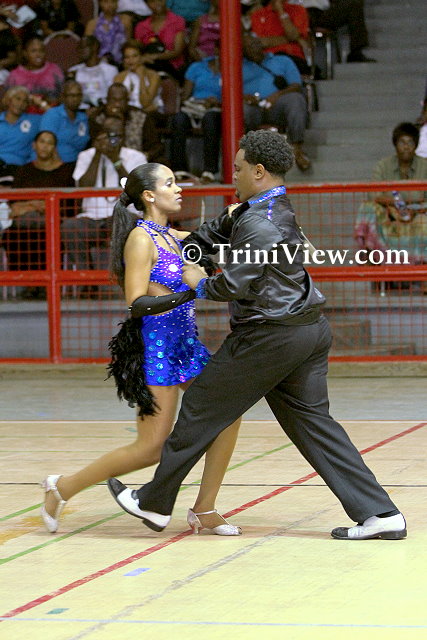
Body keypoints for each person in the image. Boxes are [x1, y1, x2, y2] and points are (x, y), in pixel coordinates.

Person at [108, 129, 407, 541]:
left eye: (238, 169)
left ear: (259, 171)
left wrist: (197, 282)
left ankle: (154, 501)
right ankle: (381, 514)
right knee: (314, 425)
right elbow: (213, 234)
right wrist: (197, 241)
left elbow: (231, 285)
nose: (233, 176)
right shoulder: (266, 209)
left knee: (200, 405)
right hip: (307, 331)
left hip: (270, 335)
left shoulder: (259, 223)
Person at [41, 161, 242, 536]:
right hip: (157, 351)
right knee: (150, 448)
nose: (179, 189)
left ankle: (205, 507)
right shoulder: (140, 239)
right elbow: (135, 302)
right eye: (170, 183)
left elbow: (211, 238)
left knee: (228, 414)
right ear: (149, 195)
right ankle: (61, 487)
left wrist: (240, 213)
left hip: (188, 345)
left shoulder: (175, 237)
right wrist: (189, 292)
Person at [61, 115, 147, 277]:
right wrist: (97, 155)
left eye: (116, 136)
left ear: (123, 136)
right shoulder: (86, 156)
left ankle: (127, 279)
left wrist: (116, 161)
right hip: (92, 218)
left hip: (124, 217)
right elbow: (82, 186)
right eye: (108, 135)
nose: (111, 140)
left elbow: (135, 189)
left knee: (126, 222)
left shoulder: (137, 157)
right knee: (70, 227)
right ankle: (86, 280)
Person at [1, 129, 74, 298]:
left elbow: (69, 205)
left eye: (50, 143)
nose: (45, 146)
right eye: (42, 142)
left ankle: (45, 284)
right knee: (14, 233)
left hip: (53, 221)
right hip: (25, 222)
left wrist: (34, 205)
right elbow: (15, 204)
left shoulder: (65, 172)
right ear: (34, 145)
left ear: (55, 148)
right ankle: (28, 283)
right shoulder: (23, 171)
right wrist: (38, 204)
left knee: (46, 231)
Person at [355, 122, 427, 271]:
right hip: (389, 212)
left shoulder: (425, 165)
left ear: (416, 145)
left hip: (418, 213)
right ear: (395, 144)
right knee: (367, 207)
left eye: (410, 143)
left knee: (423, 223)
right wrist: (393, 205)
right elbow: (373, 194)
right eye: (402, 142)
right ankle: (370, 258)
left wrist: (415, 209)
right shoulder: (383, 165)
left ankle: (421, 269)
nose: (406, 147)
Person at [242, 33, 311, 171]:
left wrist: (277, 95)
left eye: (255, 44)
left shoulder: (282, 60)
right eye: (248, 47)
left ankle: (297, 149)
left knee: (295, 99)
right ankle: (246, 155)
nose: (253, 49)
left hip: (277, 105)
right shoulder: (238, 67)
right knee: (241, 109)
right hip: (252, 108)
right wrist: (243, 97)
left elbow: (296, 85)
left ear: (261, 45)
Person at [168, 41, 222, 183]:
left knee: (210, 119)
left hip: (217, 109)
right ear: (216, 50)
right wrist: (195, 102)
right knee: (179, 119)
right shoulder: (197, 67)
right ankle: (179, 169)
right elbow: (185, 95)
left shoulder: (234, 69)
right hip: (195, 106)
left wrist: (216, 102)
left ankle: (210, 170)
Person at [114, 39, 164, 153]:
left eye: (134, 56)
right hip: (126, 114)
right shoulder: (119, 78)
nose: (130, 61)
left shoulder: (153, 76)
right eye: (127, 57)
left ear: (142, 57)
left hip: (150, 115)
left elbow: (145, 102)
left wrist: (141, 77)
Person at [4, 35, 64, 114]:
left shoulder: (55, 70)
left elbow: (63, 96)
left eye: (41, 51)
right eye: (33, 51)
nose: (38, 55)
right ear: (25, 53)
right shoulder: (15, 75)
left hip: (52, 115)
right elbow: (7, 102)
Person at [249, 0, 311, 76]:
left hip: (293, 57)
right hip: (269, 58)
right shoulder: (257, 15)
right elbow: (262, 42)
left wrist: (281, 11)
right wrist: (293, 40)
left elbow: (293, 35)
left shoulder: (298, 10)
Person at [302, 0, 376, 63]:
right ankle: (356, 52)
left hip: (321, 11)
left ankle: (356, 51)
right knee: (354, 4)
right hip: (306, 13)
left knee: (354, 4)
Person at [134, 0, 187, 83]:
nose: (157, 3)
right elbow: (138, 51)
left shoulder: (177, 21)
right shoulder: (141, 26)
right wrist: (145, 58)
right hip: (149, 68)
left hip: (174, 68)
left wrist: (155, 57)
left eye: (160, 0)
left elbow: (178, 51)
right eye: (152, 1)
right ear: (147, 4)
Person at [39, 79, 90, 164]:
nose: (75, 99)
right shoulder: (53, 115)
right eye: (71, 95)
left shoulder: (83, 118)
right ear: (63, 97)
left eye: (78, 95)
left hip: (76, 163)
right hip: (52, 163)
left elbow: (82, 146)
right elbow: (45, 145)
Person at [0, 86, 40, 181]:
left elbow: (55, 117)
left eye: (25, 101)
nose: (21, 104)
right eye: (18, 99)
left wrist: (40, 103)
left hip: (20, 169)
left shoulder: (34, 120)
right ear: (9, 100)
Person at [68, 36, 118, 111]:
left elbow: (112, 97)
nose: (79, 51)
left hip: (102, 110)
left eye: (83, 47)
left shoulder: (110, 70)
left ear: (94, 47)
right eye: (78, 48)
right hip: (79, 111)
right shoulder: (74, 71)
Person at [85, 0, 132, 66]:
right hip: (99, 64)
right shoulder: (92, 24)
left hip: (121, 63)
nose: (110, 5)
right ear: (100, 3)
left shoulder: (125, 21)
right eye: (106, 1)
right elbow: (88, 48)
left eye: (113, 1)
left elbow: (129, 43)